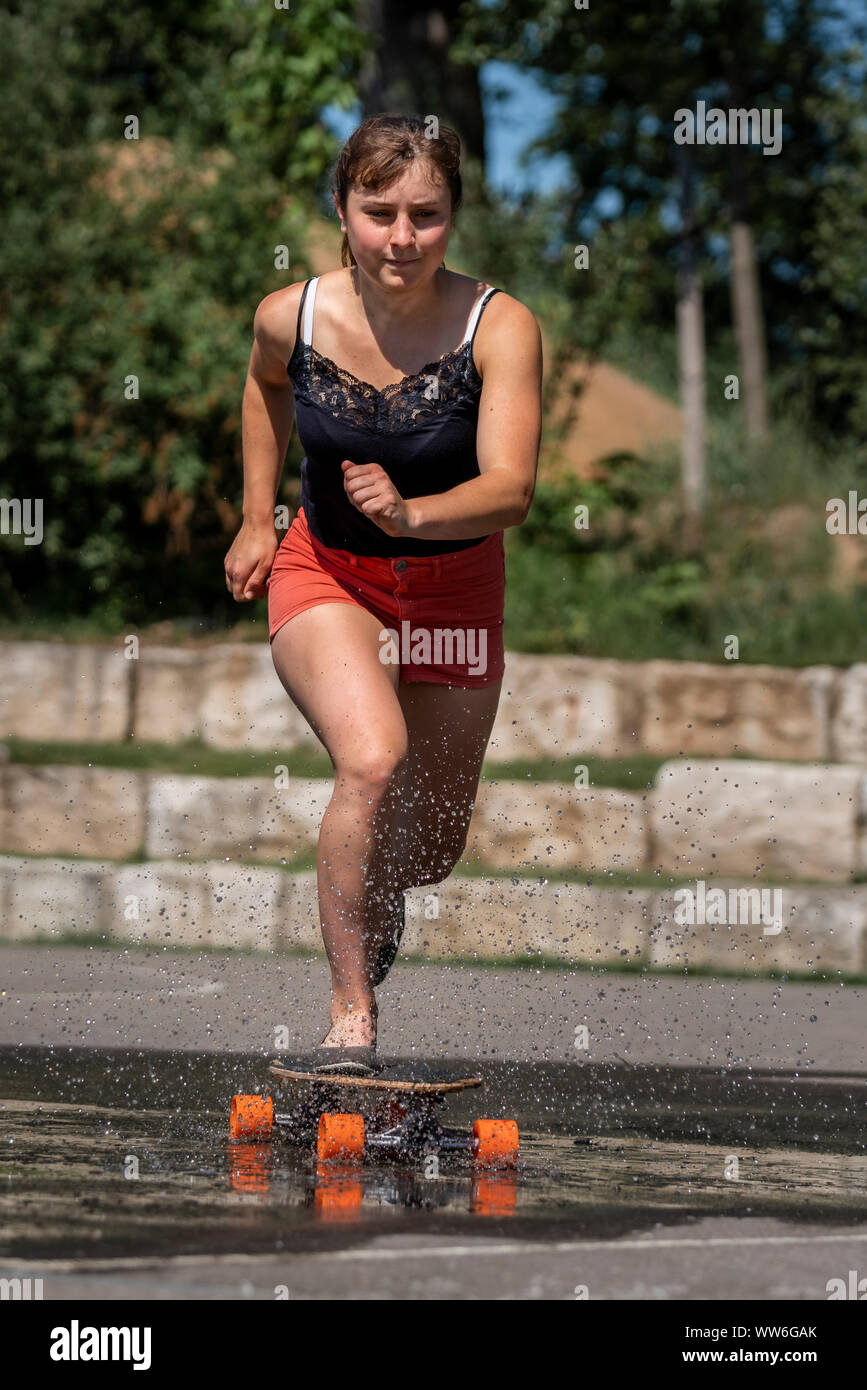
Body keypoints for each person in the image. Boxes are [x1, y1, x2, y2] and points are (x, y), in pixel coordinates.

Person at [224, 113, 542, 1071]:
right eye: (378, 212)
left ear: (453, 217)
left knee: (434, 842)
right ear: (341, 210)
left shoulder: (501, 325)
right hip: (326, 569)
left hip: (454, 588)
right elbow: (263, 387)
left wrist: (410, 515)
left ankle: (382, 896)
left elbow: (512, 490)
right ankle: (350, 1018)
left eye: (426, 214)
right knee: (371, 758)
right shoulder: (292, 314)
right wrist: (254, 517)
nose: (401, 238)